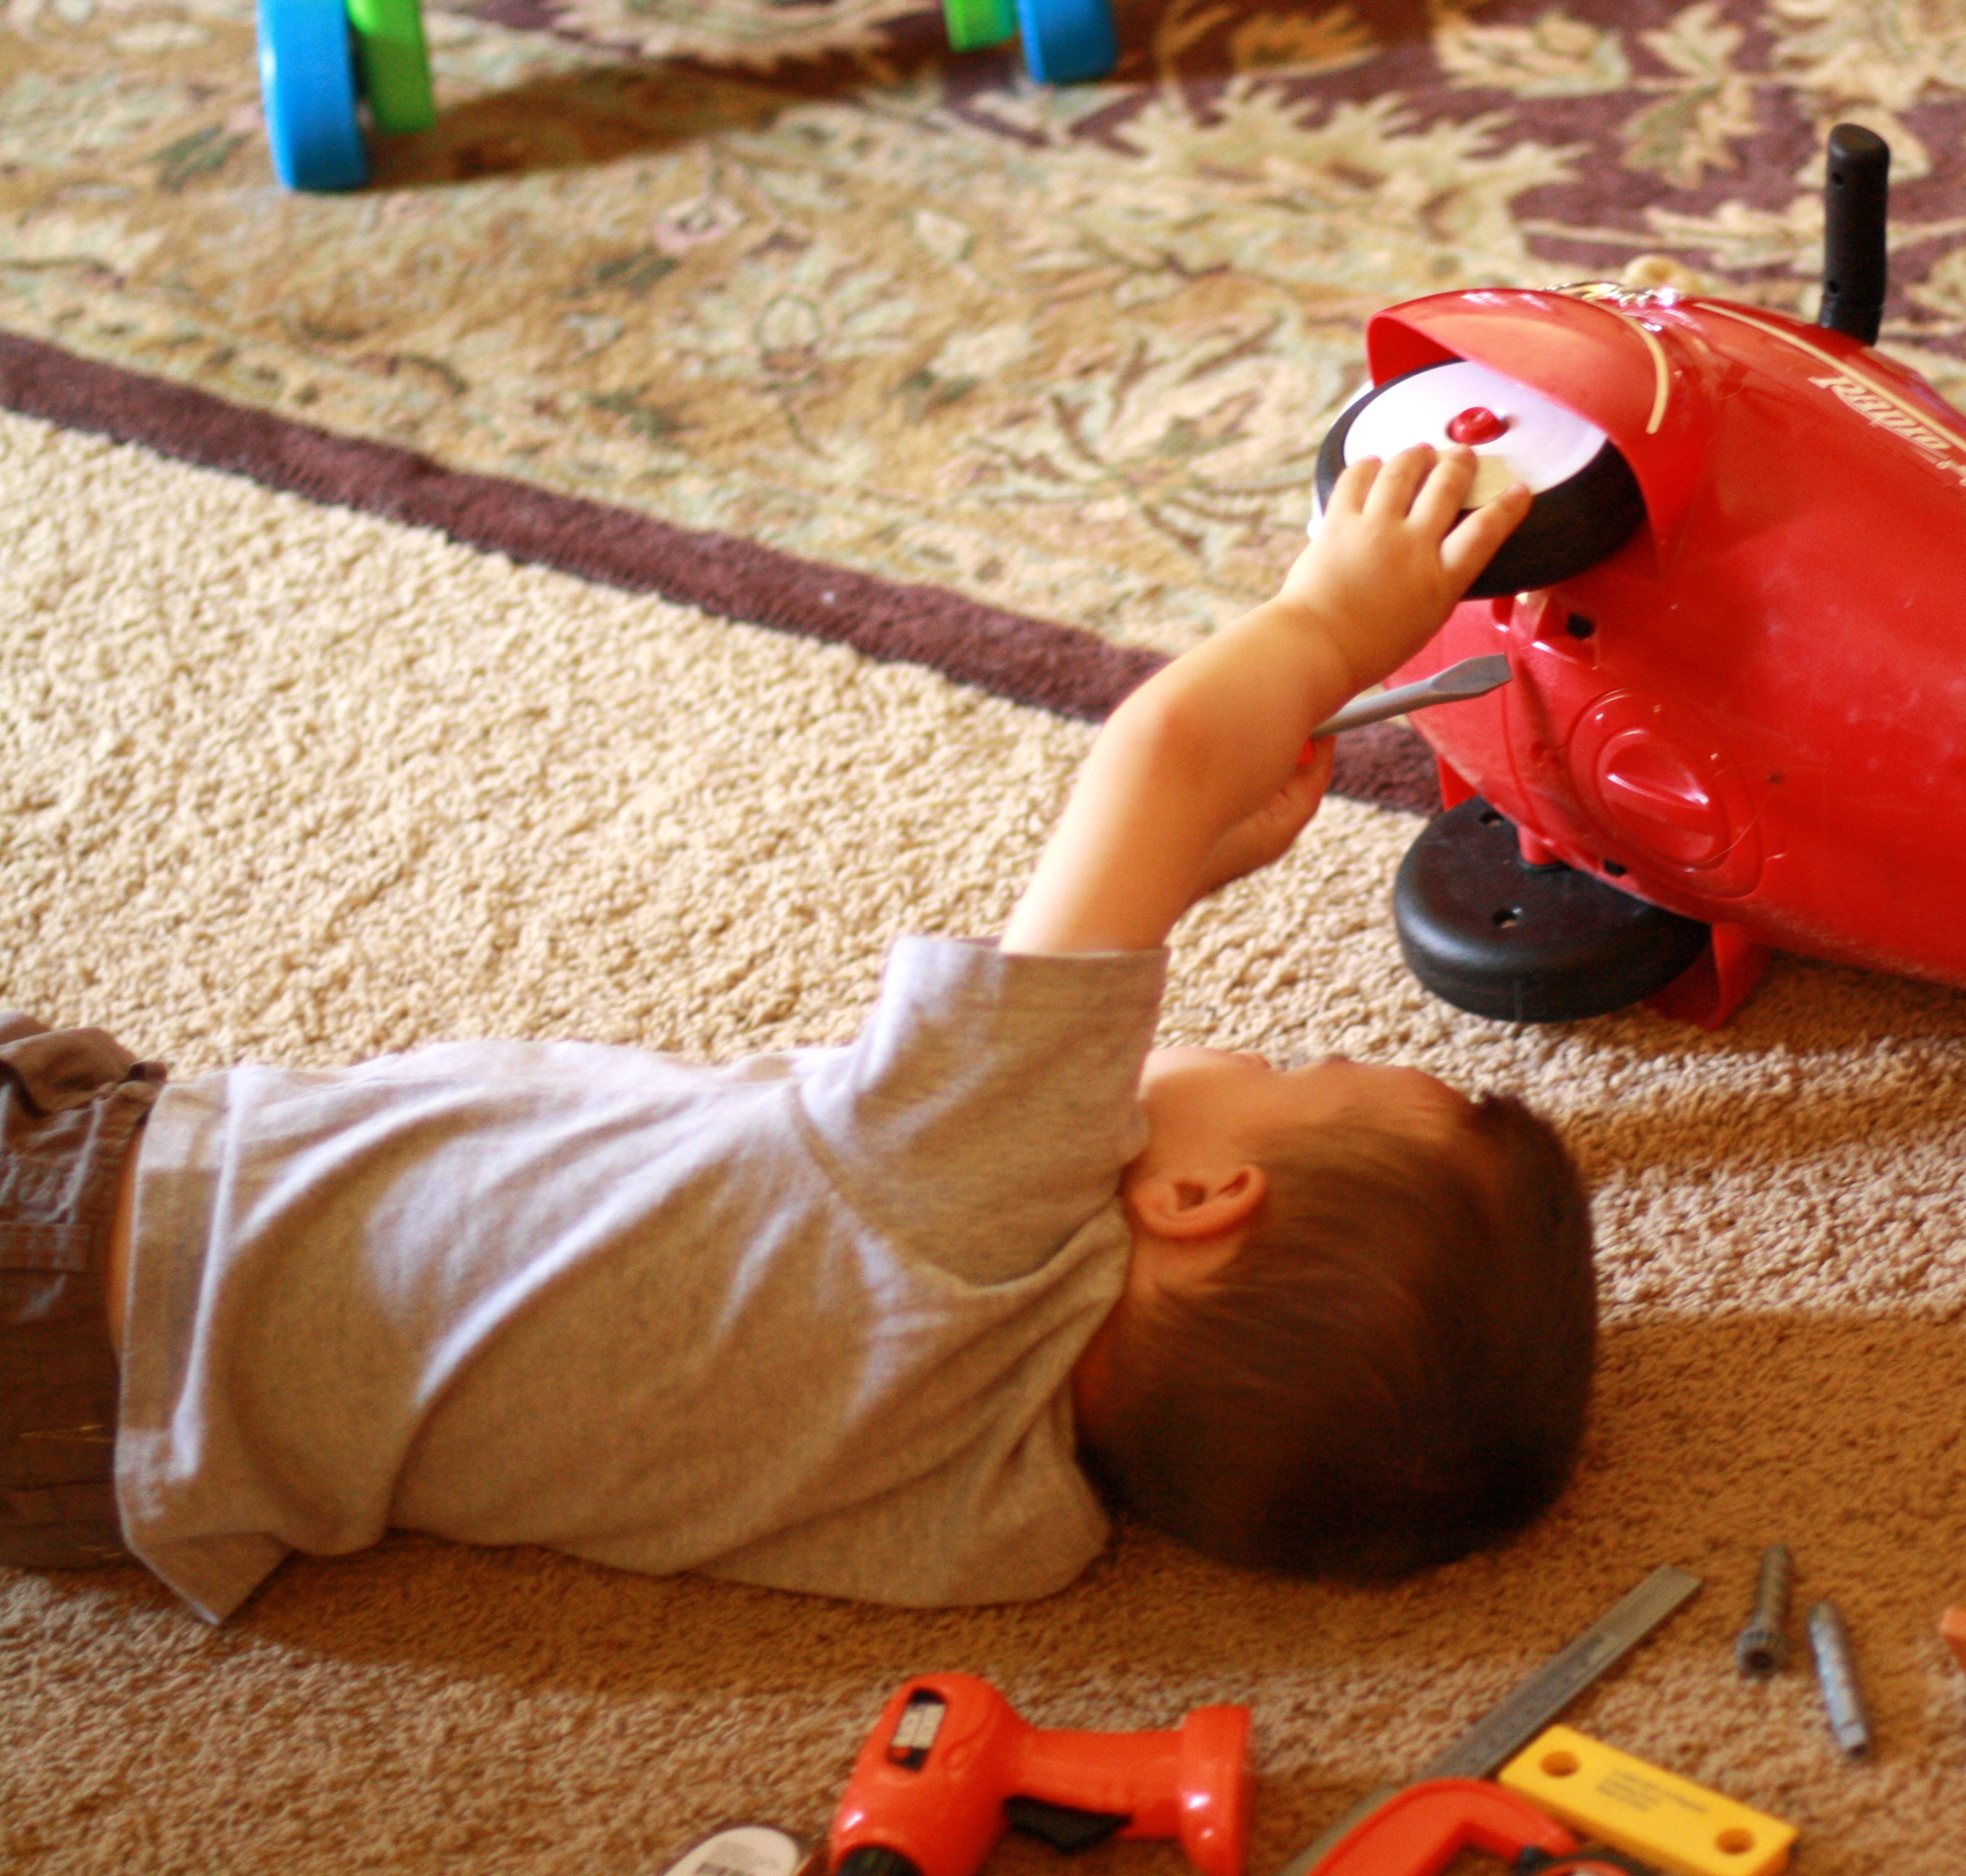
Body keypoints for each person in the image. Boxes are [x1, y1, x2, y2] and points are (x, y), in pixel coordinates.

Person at [0, 444, 1597, 1621]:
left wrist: (1330, 616)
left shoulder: (983, 1199)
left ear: (1197, 1204)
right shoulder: (1004, 1533)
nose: (1261, 1052)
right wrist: (1181, 879)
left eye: (1300, 1078)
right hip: (98, 1480)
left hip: (97, 1237)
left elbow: (1162, 751)